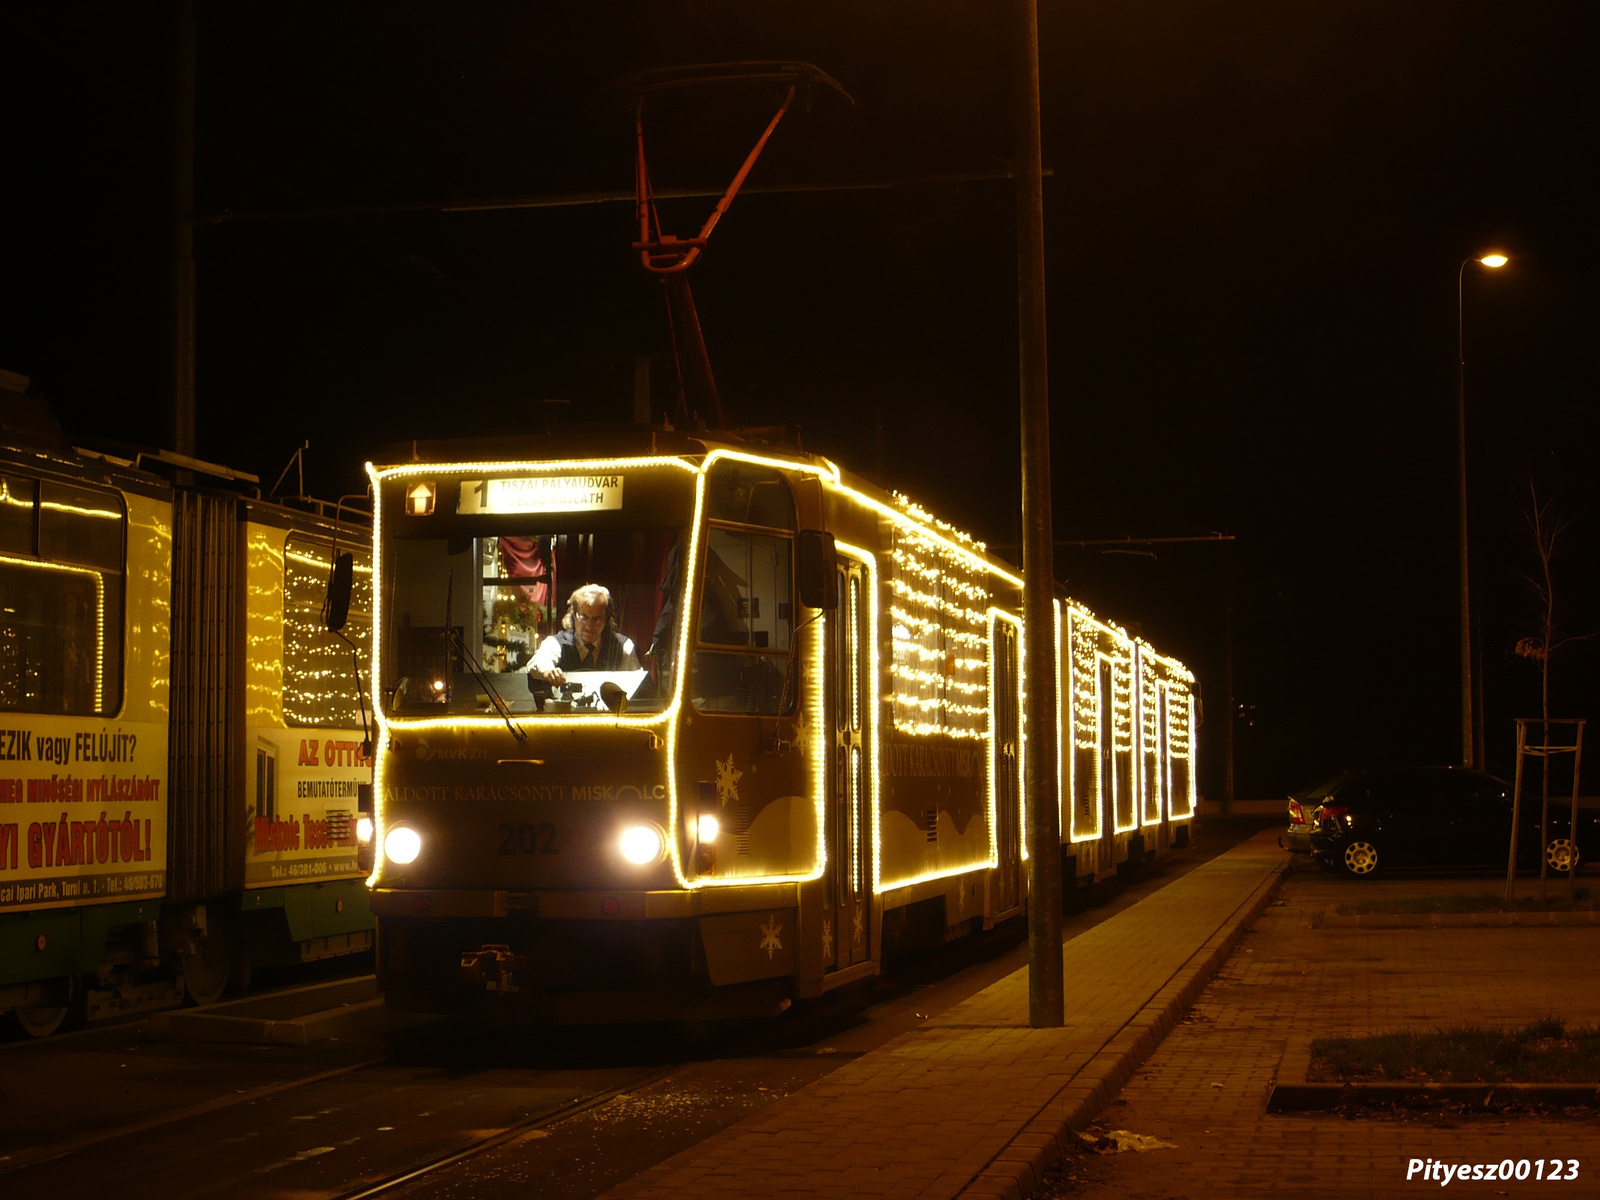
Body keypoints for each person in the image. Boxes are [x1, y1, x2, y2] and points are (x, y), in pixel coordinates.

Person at [530, 583, 640, 686]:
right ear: (573, 616)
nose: (589, 625)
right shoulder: (555, 643)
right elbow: (538, 662)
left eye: (596, 619)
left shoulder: (622, 646)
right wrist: (548, 672)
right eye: (584, 617)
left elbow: (637, 681)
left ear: (606, 619)